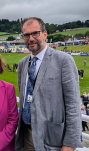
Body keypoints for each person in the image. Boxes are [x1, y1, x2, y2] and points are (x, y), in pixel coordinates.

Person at [15, 17, 82, 151]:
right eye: (26, 35)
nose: (31, 38)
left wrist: (69, 144)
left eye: (35, 33)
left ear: (44, 34)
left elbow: (73, 106)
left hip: (53, 139)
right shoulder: (22, 64)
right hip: (27, 135)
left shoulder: (64, 61)